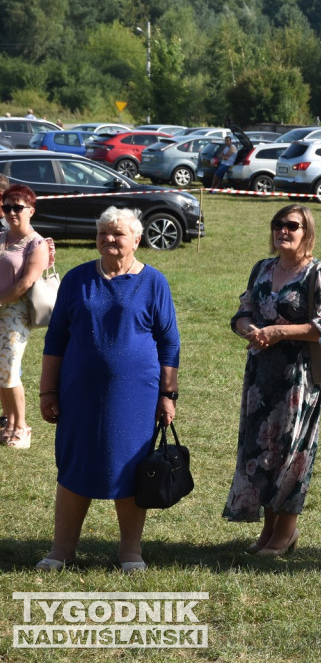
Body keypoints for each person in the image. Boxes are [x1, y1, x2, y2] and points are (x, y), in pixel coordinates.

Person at [37, 207, 180, 572]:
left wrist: (168, 394)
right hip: (78, 392)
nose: (109, 239)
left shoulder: (154, 282)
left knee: (133, 467)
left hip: (136, 395)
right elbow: (56, 339)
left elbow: (169, 343)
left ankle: (130, 552)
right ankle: (61, 550)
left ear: (137, 239)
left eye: (118, 233)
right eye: (103, 232)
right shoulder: (77, 278)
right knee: (75, 464)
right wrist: (47, 391)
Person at [223, 204, 321, 556]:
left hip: (298, 380)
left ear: (306, 231)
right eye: (278, 225)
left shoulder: (317, 273)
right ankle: (268, 531)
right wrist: (247, 327)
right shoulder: (262, 268)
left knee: (292, 452)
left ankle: (285, 532)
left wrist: (279, 331)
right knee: (262, 452)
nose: (283, 231)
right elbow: (243, 310)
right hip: (260, 379)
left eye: (292, 226)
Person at [0, 185, 51, 448]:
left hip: (15, 313)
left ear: (30, 210)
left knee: (9, 369)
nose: (11, 212)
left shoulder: (36, 243)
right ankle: (7, 422)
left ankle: (21, 427)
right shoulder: (0, 236)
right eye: (7, 206)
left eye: (17, 207)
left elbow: (27, 282)